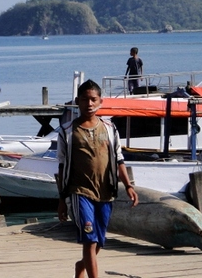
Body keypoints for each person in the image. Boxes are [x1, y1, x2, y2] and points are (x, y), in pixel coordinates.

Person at [57, 79, 138, 278]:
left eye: (93, 99)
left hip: (105, 192)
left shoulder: (110, 129)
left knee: (99, 241)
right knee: (89, 239)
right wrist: (61, 200)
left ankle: (81, 266)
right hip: (80, 191)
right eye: (85, 99)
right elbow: (61, 166)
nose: (89, 104)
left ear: (101, 101)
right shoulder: (67, 132)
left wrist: (128, 185)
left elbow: (119, 158)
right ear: (77, 101)